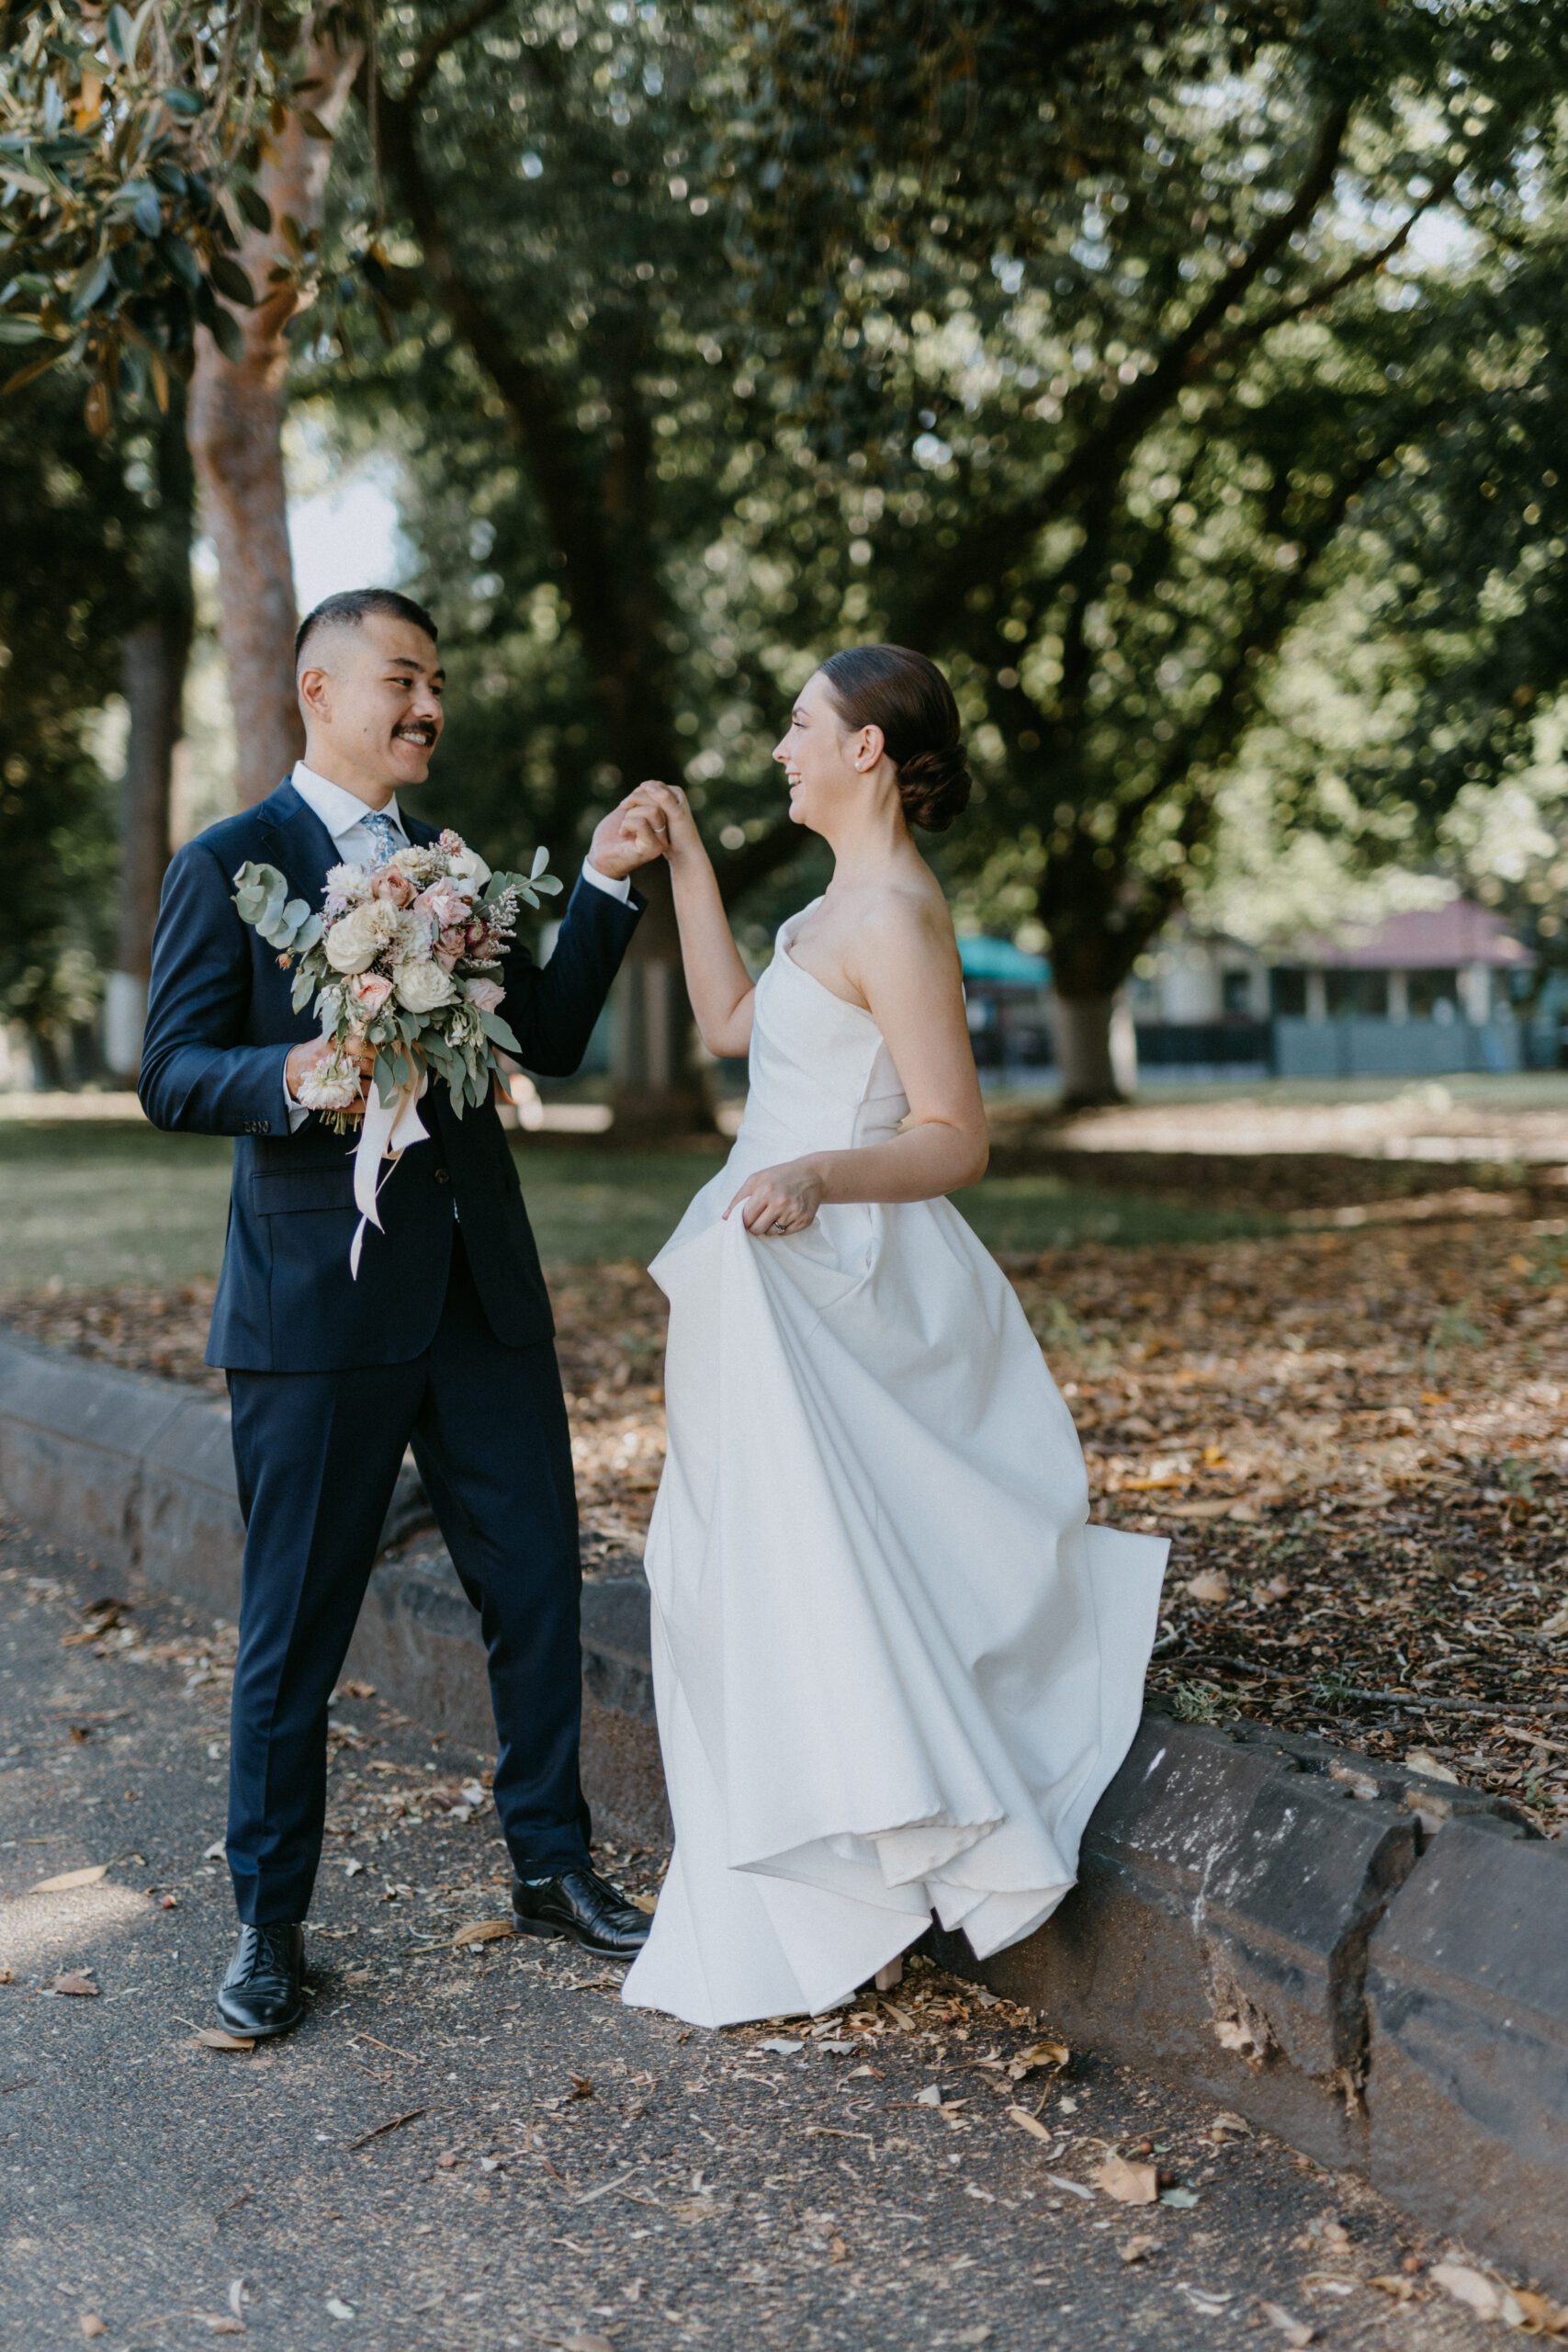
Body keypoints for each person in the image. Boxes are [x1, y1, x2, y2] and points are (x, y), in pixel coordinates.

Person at [615, 645, 1169, 2029]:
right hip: (767, 1266)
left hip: (837, 1268)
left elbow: (953, 1138)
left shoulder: (901, 916)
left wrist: (815, 1177)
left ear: (868, 750)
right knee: (732, 1568)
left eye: (803, 725)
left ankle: (881, 1848)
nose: (784, 745)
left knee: (820, 1565)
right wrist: (684, 864)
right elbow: (737, 1023)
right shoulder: (833, 907)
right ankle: (791, 1871)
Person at [139, 588, 665, 2038]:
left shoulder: (448, 868)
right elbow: (173, 1070)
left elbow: (539, 1042)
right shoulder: (231, 861)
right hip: (316, 1311)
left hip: (480, 1295)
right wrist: (295, 1073)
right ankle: (269, 1927)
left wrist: (609, 888)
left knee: (539, 1587)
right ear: (319, 689)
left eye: (438, 685)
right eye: (404, 679)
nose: (429, 707)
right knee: (290, 1630)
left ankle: (553, 1869)